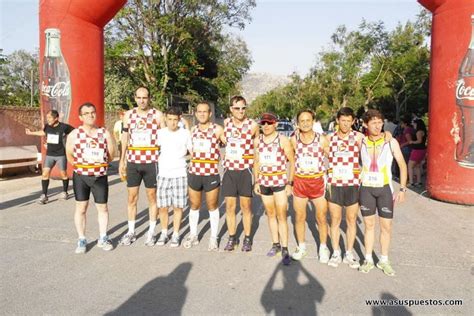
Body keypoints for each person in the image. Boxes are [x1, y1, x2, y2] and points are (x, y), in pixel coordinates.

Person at [358, 109, 407, 276]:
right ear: (365, 124)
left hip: (385, 189)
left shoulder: (390, 141)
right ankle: (368, 259)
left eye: (380, 122)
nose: (378, 126)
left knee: (386, 227)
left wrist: (402, 188)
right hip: (366, 189)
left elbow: (402, 164)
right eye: (374, 123)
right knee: (369, 226)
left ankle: (384, 260)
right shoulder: (361, 141)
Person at [65, 102, 116, 254]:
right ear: (80, 117)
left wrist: (100, 165)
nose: (90, 115)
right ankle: (81, 239)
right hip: (81, 176)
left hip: (99, 176)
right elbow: (69, 155)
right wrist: (81, 167)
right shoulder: (74, 134)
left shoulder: (104, 133)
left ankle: (103, 237)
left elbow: (112, 154)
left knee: (102, 207)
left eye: (93, 112)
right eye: (86, 113)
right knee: (81, 208)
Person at [119, 87, 164, 246]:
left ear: (149, 98)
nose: (142, 101)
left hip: (151, 161)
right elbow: (125, 137)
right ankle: (131, 231)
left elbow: (164, 138)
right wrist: (122, 159)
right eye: (138, 97)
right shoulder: (129, 115)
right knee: (132, 197)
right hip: (133, 161)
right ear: (134, 98)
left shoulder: (157, 115)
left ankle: (151, 232)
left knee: (152, 197)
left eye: (144, 97)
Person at [325, 107, 364, 269]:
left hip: (353, 184)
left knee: (351, 220)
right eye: (343, 120)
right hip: (334, 184)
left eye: (349, 121)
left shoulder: (359, 137)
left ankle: (349, 253)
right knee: (334, 220)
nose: (346, 124)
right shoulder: (329, 138)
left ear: (353, 121)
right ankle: (335, 252)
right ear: (338, 121)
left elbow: (377, 142)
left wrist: (387, 134)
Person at [253, 112, 295, 265]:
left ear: (275, 124)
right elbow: (256, 162)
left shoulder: (283, 140)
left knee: (281, 215)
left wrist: (290, 183)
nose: (266, 126)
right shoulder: (257, 141)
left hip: (280, 182)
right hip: (264, 182)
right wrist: (256, 181)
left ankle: (285, 248)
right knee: (270, 214)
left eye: (269, 123)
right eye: (263, 123)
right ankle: (275, 244)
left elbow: (292, 161)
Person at [290, 109, 330, 263]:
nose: (305, 123)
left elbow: (334, 157)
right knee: (300, 217)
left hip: (317, 182)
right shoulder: (294, 140)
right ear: (297, 123)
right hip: (300, 182)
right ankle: (301, 247)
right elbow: (287, 158)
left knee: (321, 217)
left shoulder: (322, 139)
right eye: (302, 121)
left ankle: (323, 247)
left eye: (308, 120)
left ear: (313, 121)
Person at [184, 101, 224, 251]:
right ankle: (193, 234)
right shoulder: (192, 130)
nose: (202, 114)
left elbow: (231, 143)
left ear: (210, 114)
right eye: (199, 111)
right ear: (195, 113)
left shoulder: (218, 130)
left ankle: (214, 238)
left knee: (212, 206)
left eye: (205, 111)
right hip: (195, 172)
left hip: (211, 173)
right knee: (194, 205)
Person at [221, 96, 259, 251]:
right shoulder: (225, 124)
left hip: (245, 170)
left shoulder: (252, 125)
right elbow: (221, 140)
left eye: (243, 108)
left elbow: (257, 147)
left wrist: (257, 176)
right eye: (237, 108)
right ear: (231, 109)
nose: (240, 111)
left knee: (246, 207)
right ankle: (232, 237)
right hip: (230, 170)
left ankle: (247, 238)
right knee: (230, 207)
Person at [155, 107, 192, 247]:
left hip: (180, 174)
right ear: (165, 118)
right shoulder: (160, 133)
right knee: (163, 207)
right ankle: (164, 232)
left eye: (175, 120)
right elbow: (152, 150)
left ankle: (176, 234)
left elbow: (192, 151)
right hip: (163, 174)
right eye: (169, 119)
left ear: (180, 119)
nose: (172, 122)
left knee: (178, 206)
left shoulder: (185, 133)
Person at [25, 110, 74, 203]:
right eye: (47, 118)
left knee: (63, 174)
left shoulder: (64, 127)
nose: (48, 120)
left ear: (56, 118)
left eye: (50, 118)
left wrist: (70, 144)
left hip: (61, 155)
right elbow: (43, 132)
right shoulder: (47, 126)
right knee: (45, 174)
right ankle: (44, 195)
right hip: (50, 155)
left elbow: (75, 132)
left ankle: (65, 192)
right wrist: (31, 133)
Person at [407, 119, 427, 187]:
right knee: (417, 166)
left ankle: (411, 182)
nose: (413, 125)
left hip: (417, 150)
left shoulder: (419, 132)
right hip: (422, 150)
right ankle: (419, 182)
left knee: (410, 166)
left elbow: (419, 141)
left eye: (414, 124)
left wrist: (412, 142)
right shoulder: (423, 131)